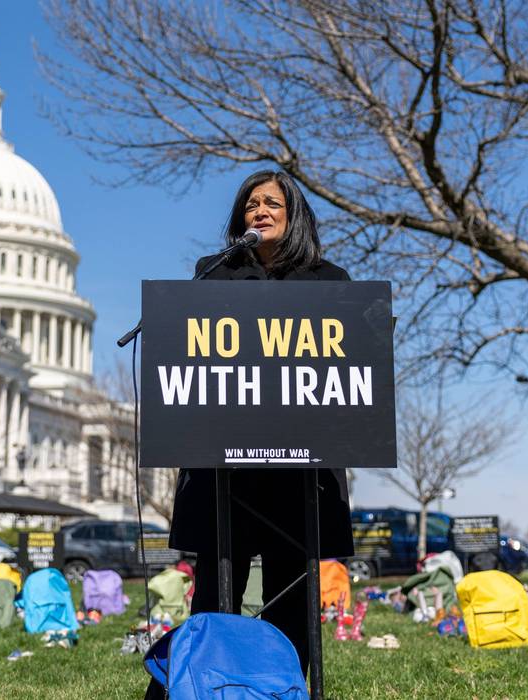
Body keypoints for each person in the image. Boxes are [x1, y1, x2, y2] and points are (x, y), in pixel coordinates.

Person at [144, 171, 354, 699]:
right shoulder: (211, 277)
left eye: (272, 203)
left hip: (298, 474)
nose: (259, 211)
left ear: (294, 214)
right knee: (217, 592)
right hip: (225, 473)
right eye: (250, 205)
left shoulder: (329, 281)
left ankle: (279, 688)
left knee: (291, 593)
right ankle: (205, 686)